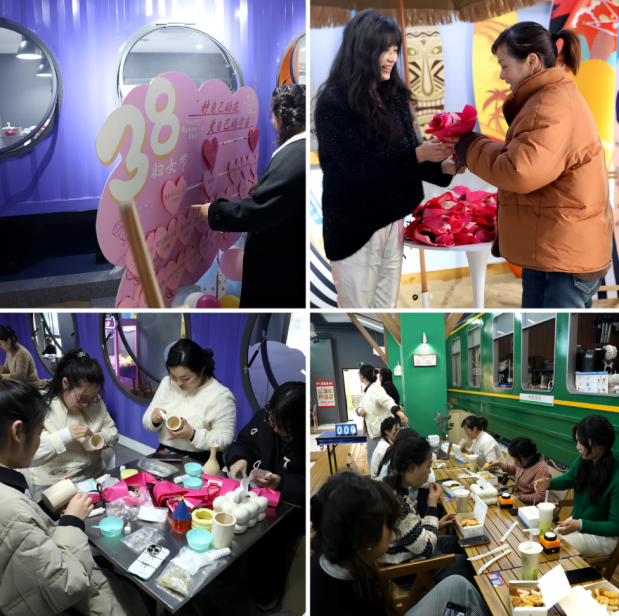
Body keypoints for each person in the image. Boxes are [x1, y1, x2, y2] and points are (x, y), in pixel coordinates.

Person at [450, 22, 611, 309]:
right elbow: (525, 156)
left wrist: (469, 146)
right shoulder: (552, 97)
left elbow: (519, 171)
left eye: (504, 65)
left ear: (531, 61)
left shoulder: (548, 104)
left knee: (549, 332)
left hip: (560, 259)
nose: (502, 75)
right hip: (558, 250)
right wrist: (470, 146)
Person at [314, 9, 465, 309]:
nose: (392, 58)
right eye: (384, 49)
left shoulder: (394, 95)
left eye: (395, 49)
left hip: (393, 221)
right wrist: (418, 154)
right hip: (355, 228)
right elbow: (361, 167)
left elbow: (410, 155)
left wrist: (445, 166)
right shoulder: (333, 102)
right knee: (360, 314)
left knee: (386, 312)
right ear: (361, 49)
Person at [0, 379, 149, 616]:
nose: (40, 440)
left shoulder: (10, 494)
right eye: (39, 433)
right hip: (62, 596)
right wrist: (72, 521)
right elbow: (66, 585)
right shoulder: (10, 508)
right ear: (17, 432)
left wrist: (42, 509)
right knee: (132, 594)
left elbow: (22, 536)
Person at [311, 472, 491, 616]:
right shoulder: (337, 603)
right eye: (389, 524)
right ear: (365, 541)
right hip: (410, 574)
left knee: (458, 584)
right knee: (462, 586)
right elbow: (425, 546)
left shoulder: (332, 557)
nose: (395, 532)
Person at [191, 84, 305, 308]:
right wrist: (264, 187)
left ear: (280, 117)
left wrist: (215, 211)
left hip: (279, 275)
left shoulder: (293, 156)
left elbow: (258, 213)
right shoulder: (297, 152)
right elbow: (284, 199)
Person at [226, 382, 305, 610]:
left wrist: (282, 482)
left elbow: (306, 486)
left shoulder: (304, 439)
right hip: (254, 491)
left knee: (268, 542)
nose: (276, 430)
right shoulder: (264, 418)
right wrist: (240, 459)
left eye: (284, 429)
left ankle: (263, 593)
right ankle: (223, 574)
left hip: (289, 506)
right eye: (273, 423)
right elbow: (244, 443)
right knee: (228, 520)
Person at [379, 432, 472, 583]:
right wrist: (432, 505)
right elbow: (427, 547)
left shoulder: (391, 487)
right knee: (471, 564)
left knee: (465, 544)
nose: (429, 471)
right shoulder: (398, 505)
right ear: (412, 467)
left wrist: (434, 524)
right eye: (428, 466)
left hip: (413, 550)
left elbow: (406, 528)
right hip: (411, 568)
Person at [29, 349, 118, 490]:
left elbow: (111, 429)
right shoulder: (38, 403)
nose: (86, 404)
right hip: (54, 481)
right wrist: (65, 435)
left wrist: (102, 439)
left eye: (91, 398)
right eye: (83, 398)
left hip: (93, 472)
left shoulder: (94, 400)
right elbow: (29, 454)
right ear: (65, 383)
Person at [534, 415, 619, 558]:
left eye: (582, 442)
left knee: (555, 548)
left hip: (603, 538)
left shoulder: (616, 476)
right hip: (578, 523)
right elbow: (567, 479)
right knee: (547, 541)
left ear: (600, 443)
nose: (577, 446)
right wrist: (549, 483)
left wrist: (580, 524)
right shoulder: (583, 460)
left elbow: (615, 526)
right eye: (577, 440)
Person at [143, 339, 236, 466]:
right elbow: (147, 422)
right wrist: (154, 420)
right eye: (173, 376)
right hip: (166, 453)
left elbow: (226, 441)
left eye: (185, 378)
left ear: (201, 370)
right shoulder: (166, 383)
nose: (179, 383)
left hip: (200, 459)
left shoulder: (221, 396)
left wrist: (192, 435)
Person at [355, 364, 407, 468]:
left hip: (379, 433)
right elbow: (359, 406)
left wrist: (401, 414)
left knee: (381, 463)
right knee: (373, 461)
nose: (358, 375)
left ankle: (381, 478)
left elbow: (387, 401)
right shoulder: (367, 390)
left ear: (362, 375)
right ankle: (376, 478)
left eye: (359, 373)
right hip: (371, 432)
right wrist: (359, 410)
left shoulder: (376, 389)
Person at [488, 436, 551, 505]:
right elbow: (513, 468)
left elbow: (541, 497)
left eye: (516, 460)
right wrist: (499, 463)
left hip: (528, 506)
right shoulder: (524, 462)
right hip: (516, 498)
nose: (515, 462)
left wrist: (519, 497)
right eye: (514, 459)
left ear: (529, 455)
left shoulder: (541, 471)